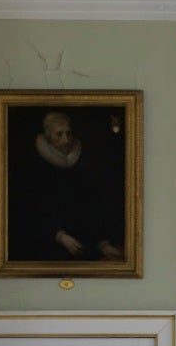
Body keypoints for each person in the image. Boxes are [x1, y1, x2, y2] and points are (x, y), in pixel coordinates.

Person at [17, 109, 125, 264]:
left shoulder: (80, 164)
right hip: (48, 248)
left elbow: (92, 208)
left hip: (83, 245)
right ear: (48, 137)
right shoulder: (35, 168)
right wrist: (60, 236)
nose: (66, 139)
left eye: (68, 133)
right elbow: (32, 213)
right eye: (59, 134)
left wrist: (102, 245)